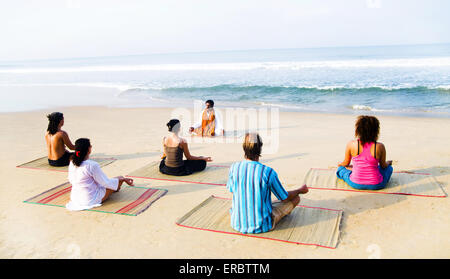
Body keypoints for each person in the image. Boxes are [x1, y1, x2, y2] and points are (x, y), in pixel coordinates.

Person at [226, 133, 308, 234]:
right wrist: (300, 190)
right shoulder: (267, 172)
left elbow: (231, 190)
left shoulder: (234, 168)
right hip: (262, 225)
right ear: (260, 149)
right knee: (296, 198)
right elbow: (284, 197)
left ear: (244, 149)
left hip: (236, 223)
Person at [66, 138, 134, 211]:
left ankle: (115, 185)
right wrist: (122, 179)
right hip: (88, 199)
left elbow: (71, 180)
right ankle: (116, 187)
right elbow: (105, 182)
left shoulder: (72, 162)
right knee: (119, 179)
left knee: (116, 180)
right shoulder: (92, 165)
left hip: (75, 197)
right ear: (89, 149)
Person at [337, 115, 393, 190]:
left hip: (355, 183)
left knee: (340, 169)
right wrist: (388, 163)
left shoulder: (351, 144)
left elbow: (345, 163)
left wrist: (340, 164)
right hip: (376, 185)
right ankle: (355, 169)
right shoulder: (380, 146)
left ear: (358, 130)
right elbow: (383, 166)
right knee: (389, 168)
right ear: (376, 131)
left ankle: (354, 169)